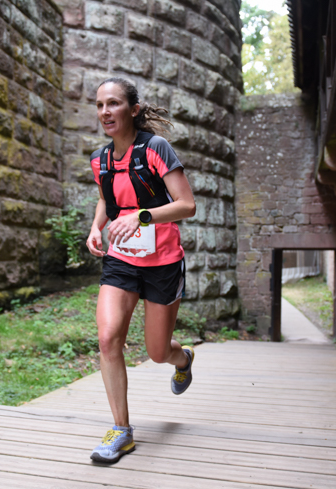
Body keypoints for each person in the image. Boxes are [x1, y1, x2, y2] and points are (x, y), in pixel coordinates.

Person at [85, 77, 197, 464]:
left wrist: (142, 216)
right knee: (108, 338)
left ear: (132, 109)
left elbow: (186, 204)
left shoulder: (155, 149)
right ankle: (121, 431)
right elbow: (106, 199)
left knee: (156, 351)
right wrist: (96, 227)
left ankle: (183, 360)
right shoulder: (99, 160)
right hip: (121, 260)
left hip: (163, 262)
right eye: (99, 105)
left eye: (113, 104)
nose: (104, 112)